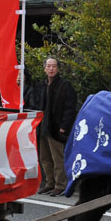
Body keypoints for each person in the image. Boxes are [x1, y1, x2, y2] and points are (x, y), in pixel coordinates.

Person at [36, 57, 76, 196]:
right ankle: (49, 183)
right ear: (44, 68)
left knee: (57, 157)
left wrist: (64, 126)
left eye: (54, 66)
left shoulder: (64, 85)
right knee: (44, 158)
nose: (51, 69)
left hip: (56, 127)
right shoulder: (42, 85)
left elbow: (70, 108)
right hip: (42, 126)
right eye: (48, 66)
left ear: (58, 68)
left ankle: (60, 184)